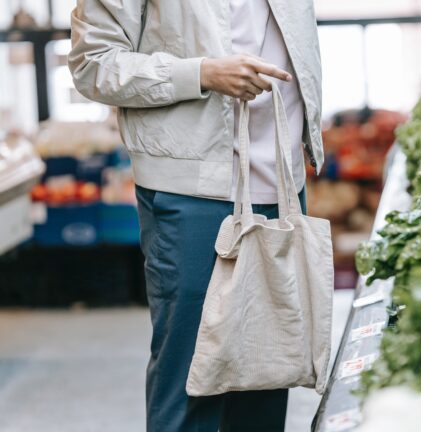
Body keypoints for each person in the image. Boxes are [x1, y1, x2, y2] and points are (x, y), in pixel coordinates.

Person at [68, 1, 324, 431]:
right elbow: (92, 64)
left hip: (281, 182)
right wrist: (201, 73)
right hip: (192, 189)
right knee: (190, 386)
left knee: (266, 380)